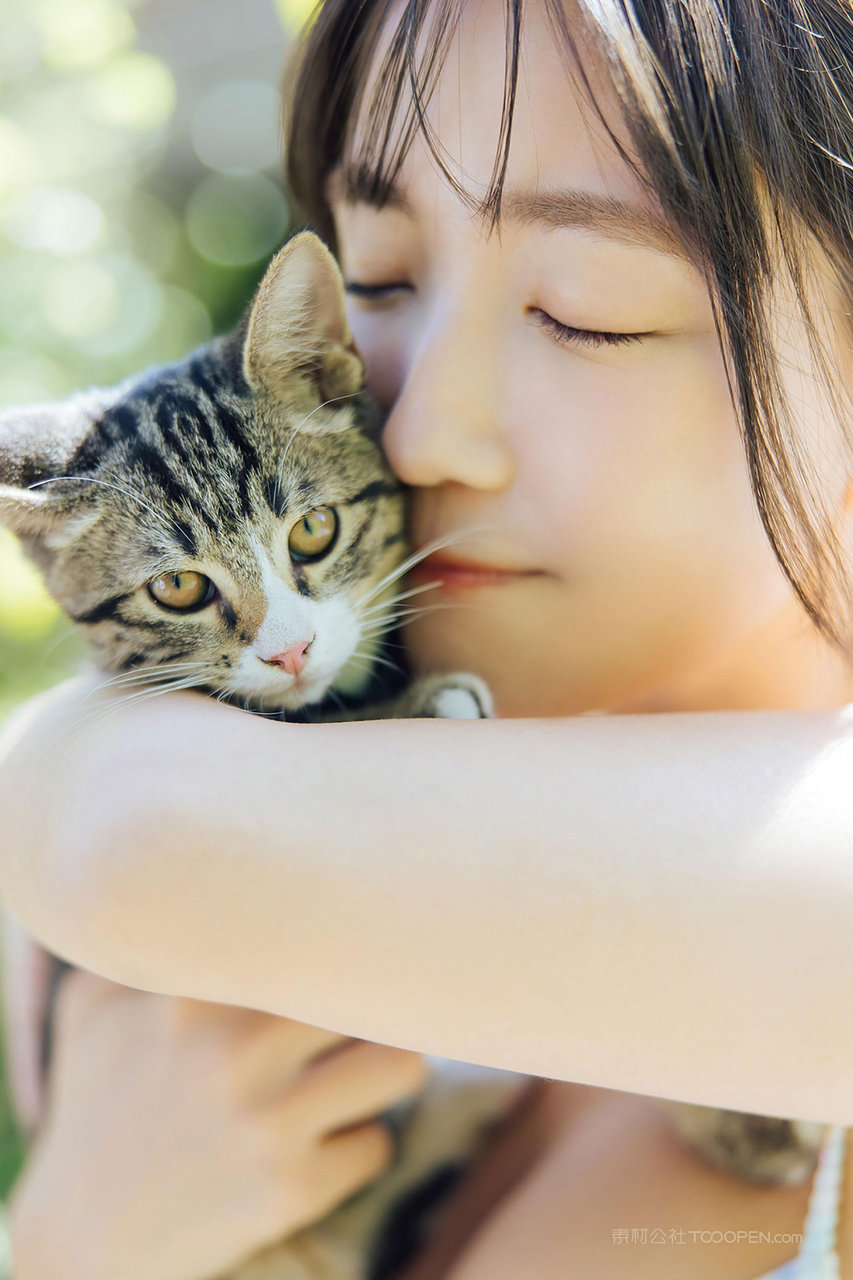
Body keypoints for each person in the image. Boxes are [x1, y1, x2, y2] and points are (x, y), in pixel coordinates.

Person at [1, 0, 852, 1274]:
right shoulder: (158, 924)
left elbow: (145, 830)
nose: (413, 434)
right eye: (382, 280)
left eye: (587, 309)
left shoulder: (175, 885)